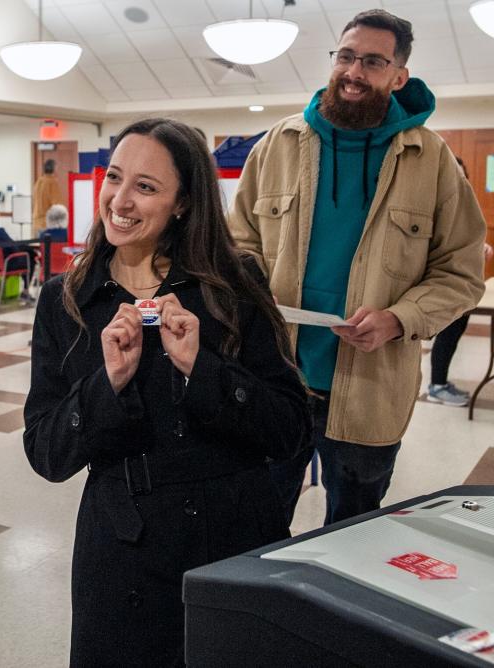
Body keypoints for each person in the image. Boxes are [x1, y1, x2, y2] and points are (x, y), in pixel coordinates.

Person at [24, 118, 310, 667]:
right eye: (114, 177)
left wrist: (202, 370)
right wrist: (106, 385)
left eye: (146, 187)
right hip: (122, 549)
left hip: (234, 537)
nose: (120, 200)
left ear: (183, 203)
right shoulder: (67, 299)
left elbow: (290, 429)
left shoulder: (232, 281)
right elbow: (46, 453)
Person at [229, 9, 487, 527]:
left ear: (398, 77)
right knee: (255, 521)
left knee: (353, 529)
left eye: (373, 61)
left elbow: (461, 272)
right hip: (275, 380)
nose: (353, 71)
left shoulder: (431, 160)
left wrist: (399, 318)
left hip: (370, 392)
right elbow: (239, 245)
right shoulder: (275, 146)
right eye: (345, 56)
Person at [428, 157, 494, 406]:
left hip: (459, 284)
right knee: (447, 331)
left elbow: (459, 239)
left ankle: (439, 382)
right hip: (439, 284)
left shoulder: (459, 199)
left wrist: (479, 248)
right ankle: (437, 385)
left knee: (454, 330)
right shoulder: (430, 198)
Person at [0, 202, 37, 301]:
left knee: (26, 254)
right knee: (30, 258)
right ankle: (25, 291)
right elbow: (14, 249)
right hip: (5, 264)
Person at [32, 158, 64, 237]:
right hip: (48, 224)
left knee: (42, 247)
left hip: (37, 222)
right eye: (57, 168)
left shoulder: (38, 182)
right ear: (54, 169)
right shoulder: (52, 182)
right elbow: (57, 205)